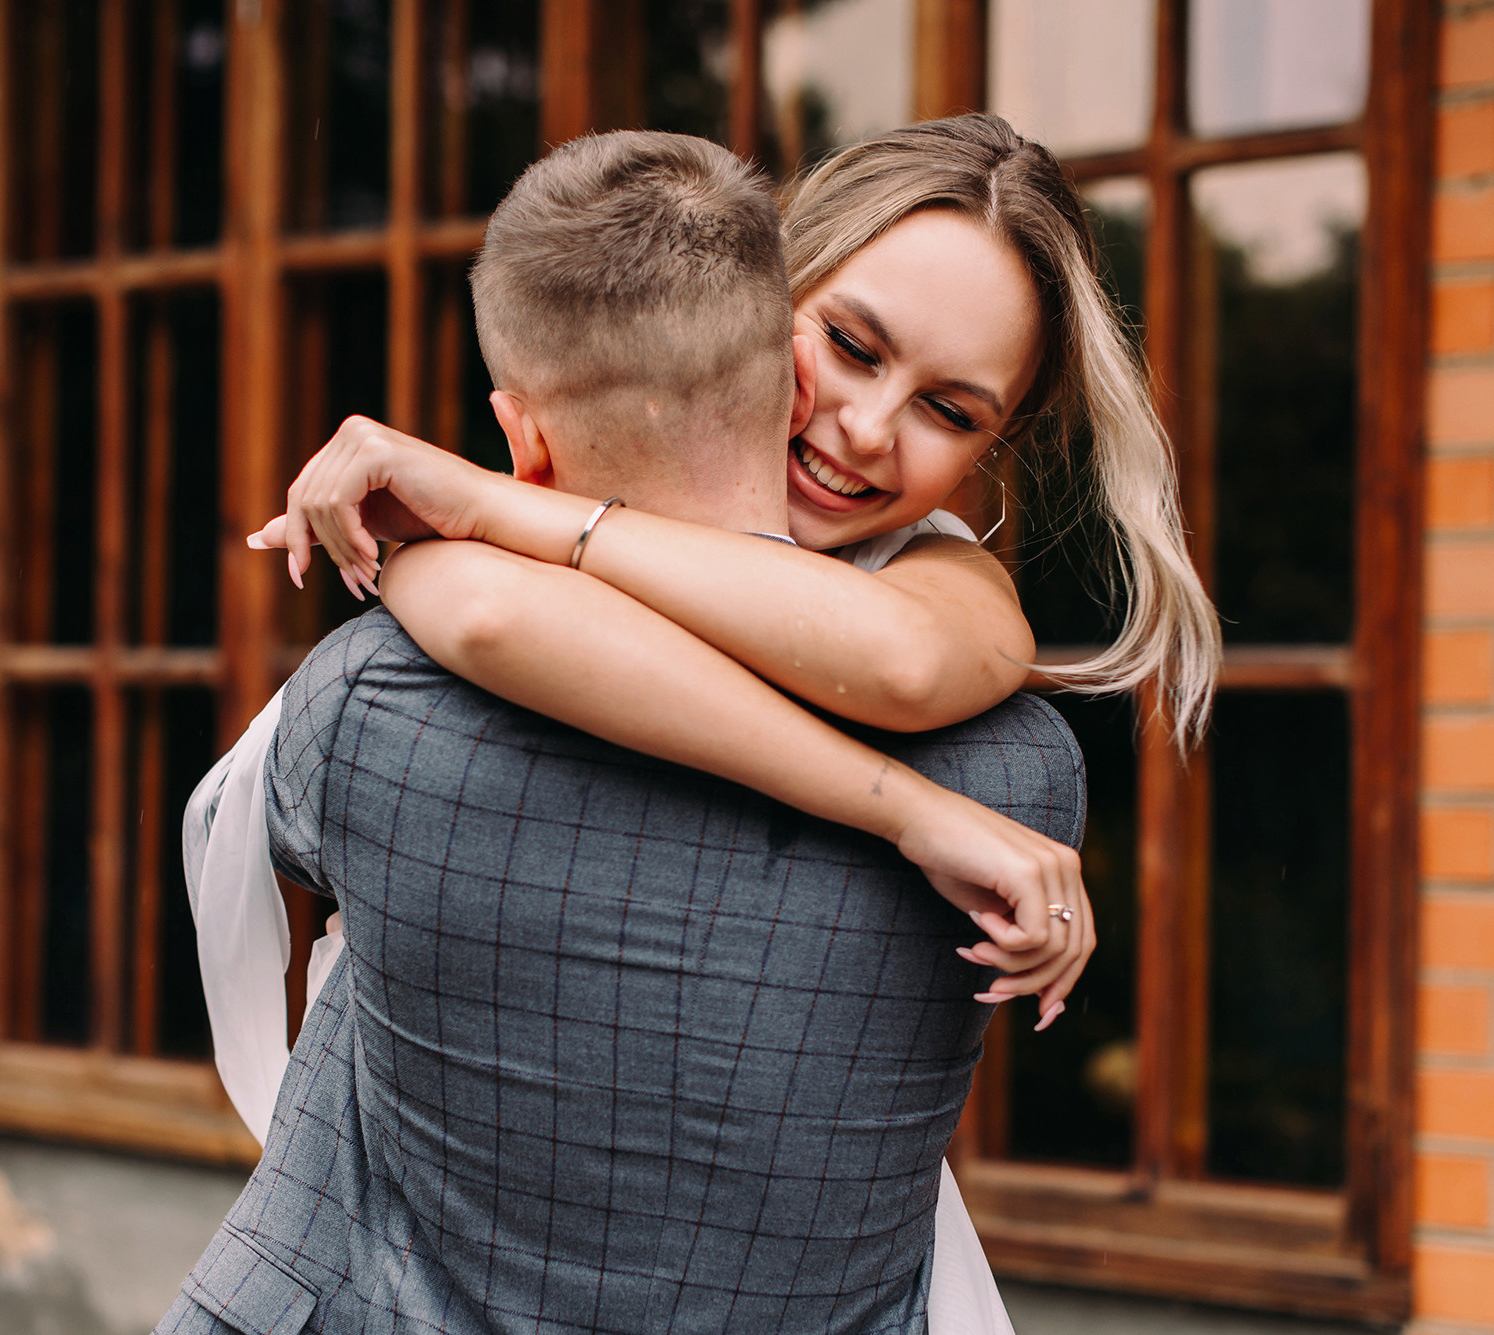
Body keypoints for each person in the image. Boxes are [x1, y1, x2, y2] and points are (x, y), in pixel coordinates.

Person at [160, 125, 1120, 1335]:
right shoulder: (1010, 768)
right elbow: (491, 607)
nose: (868, 430)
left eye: (946, 407)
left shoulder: (944, 597)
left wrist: (488, 506)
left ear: (993, 451)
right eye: (848, 345)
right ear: (760, 309)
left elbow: (896, 657)